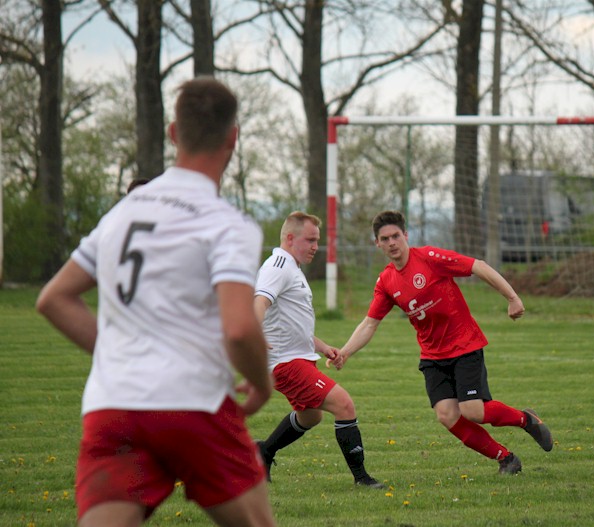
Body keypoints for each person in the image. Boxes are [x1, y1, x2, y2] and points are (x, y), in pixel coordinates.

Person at [36, 77, 277, 527]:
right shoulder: (226, 223)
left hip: (113, 406)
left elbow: (54, 298)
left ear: (172, 133)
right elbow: (240, 328)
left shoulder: (122, 213)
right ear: (233, 137)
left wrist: (121, 350)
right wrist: (262, 384)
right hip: (193, 403)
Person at [329, 210, 553, 476]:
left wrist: (512, 297)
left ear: (406, 236)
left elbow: (477, 265)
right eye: (384, 238)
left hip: (464, 345)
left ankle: (526, 420)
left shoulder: (430, 258)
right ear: (377, 243)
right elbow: (369, 323)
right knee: (447, 415)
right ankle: (506, 459)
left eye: (396, 236)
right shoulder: (386, 281)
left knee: (472, 411)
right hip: (433, 356)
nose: (391, 243)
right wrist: (345, 352)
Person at [254, 211, 384, 489]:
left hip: (299, 358)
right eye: (310, 240)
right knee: (344, 404)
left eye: (317, 240)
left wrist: (323, 347)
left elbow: (292, 323)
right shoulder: (278, 265)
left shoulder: (292, 267)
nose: (316, 246)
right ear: (290, 238)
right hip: (284, 362)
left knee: (311, 416)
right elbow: (259, 302)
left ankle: (263, 451)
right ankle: (362, 478)